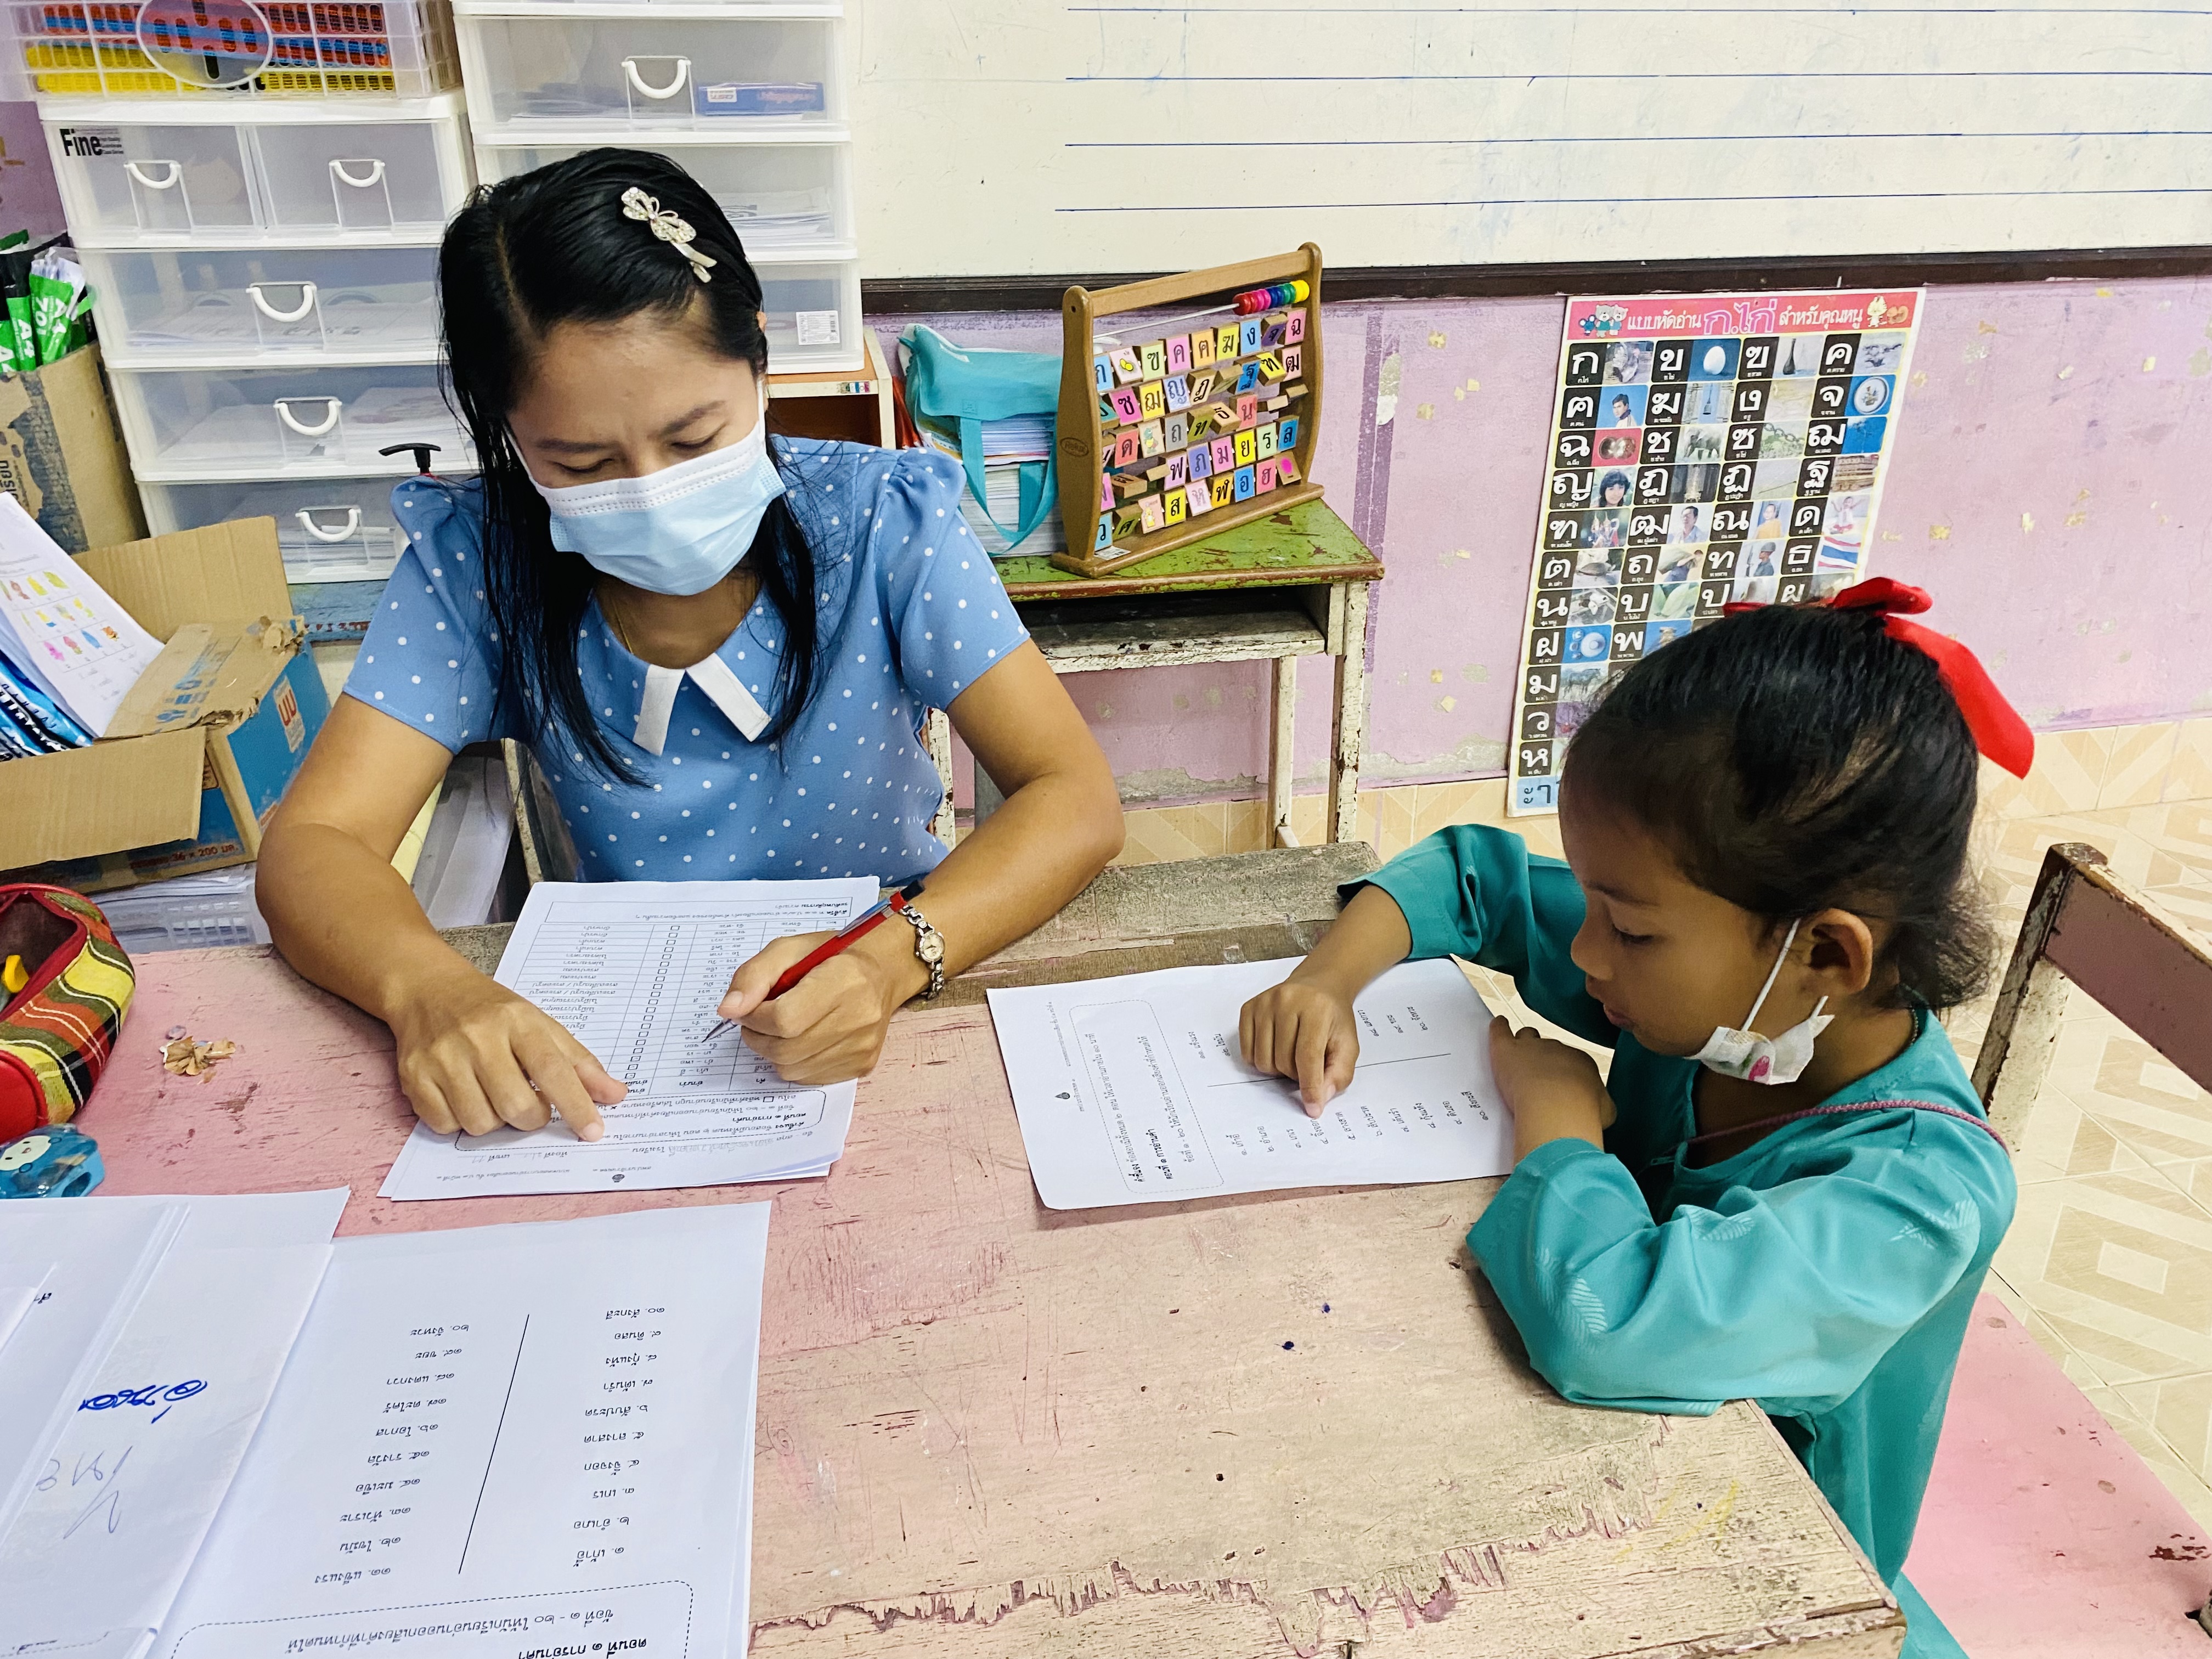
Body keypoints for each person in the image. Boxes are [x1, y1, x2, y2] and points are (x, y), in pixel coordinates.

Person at [258, 150, 1124, 1141]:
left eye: (694, 438)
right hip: (622, 1038)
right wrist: (428, 989)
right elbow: (315, 846)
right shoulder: (479, 561)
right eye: (581, 462)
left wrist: (892, 956)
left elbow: (1074, 797)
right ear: (509, 432)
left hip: (891, 986)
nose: (649, 491)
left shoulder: (882, 521)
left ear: (757, 354)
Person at [1237, 582, 2027, 1659]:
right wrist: (1327, 979)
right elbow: (1473, 876)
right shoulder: (1727, 1000)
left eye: (1631, 931)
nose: (1586, 954)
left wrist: (1559, 1122)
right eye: (1594, 906)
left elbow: (1609, 1322)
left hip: (1766, 1589)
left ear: (1825, 953)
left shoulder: (1923, 1195)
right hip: (1601, 1469)